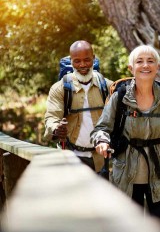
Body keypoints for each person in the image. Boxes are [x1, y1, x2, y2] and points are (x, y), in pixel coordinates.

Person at [90, 44, 160, 227]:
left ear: (158, 67)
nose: (145, 65)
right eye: (139, 61)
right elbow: (101, 128)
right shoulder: (121, 97)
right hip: (127, 175)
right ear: (131, 68)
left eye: (151, 61)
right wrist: (101, 140)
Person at [44, 40, 112, 172]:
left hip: (101, 159)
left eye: (87, 60)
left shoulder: (107, 86)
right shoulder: (60, 88)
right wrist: (56, 129)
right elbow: (51, 117)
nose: (82, 65)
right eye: (77, 61)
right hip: (71, 157)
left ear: (93, 58)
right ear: (71, 61)